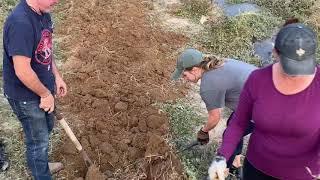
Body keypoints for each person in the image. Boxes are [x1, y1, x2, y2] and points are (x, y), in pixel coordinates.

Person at [209, 22, 320, 180]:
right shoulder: (258, 80)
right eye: (291, 65)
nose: (297, 73)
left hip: (303, 174)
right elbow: (239, 122)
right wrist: (222, 157)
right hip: (257, 169)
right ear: (275, 52)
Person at [2, 0, 67, 179]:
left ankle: (41, 164)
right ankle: (41, 174)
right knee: (38, 141)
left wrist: (57, 77)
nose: (57, 1)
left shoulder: (43, 12)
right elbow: (22, 71)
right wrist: (45, 94)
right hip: (25, 95)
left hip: (41, 88)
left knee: (45, 129)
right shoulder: (20, 23)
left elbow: (45, 48)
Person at [171, 48, 256, 177]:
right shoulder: (221, 63)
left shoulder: (208, 86)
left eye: (185, 75)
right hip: (267, 90)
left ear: (194, 69)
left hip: (265, 109)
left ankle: (223, 172)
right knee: (232, 124)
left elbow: (214, 118)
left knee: (230, 136)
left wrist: (203, 132)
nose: (185, 79)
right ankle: (236, 163)